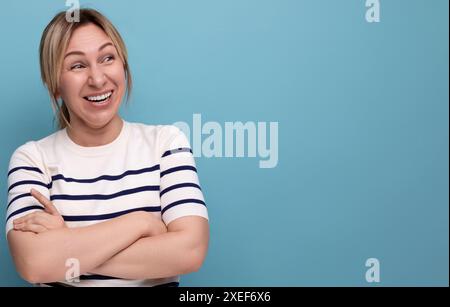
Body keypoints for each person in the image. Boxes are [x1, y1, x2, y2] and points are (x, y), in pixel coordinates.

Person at [5, 8, 209, 287]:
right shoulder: (32, 159)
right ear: (54, 85)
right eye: (77, 65)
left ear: (122, 65)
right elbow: (34, 264)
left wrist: (66, 245)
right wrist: (141, 224)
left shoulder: (167, 145)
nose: (98, 79)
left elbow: (190, 252)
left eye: (107, 58)